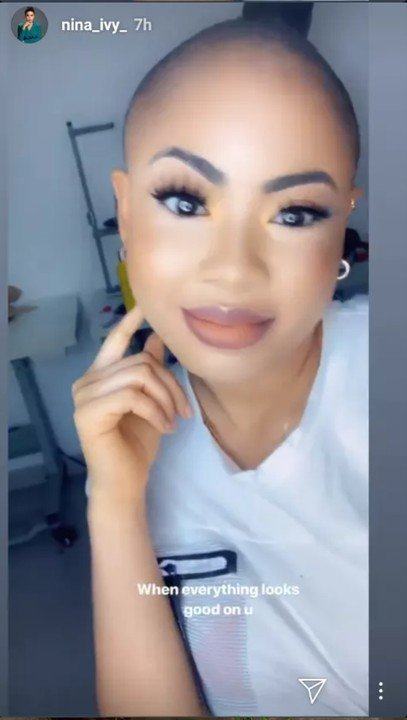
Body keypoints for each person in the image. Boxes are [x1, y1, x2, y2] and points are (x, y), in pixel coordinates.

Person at [72, 16, 368, 717]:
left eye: (295, 213)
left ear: (340, 226)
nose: (233, 270)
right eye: (185, 202)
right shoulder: (135, 444)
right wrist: (113, 504)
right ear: (125, 211)